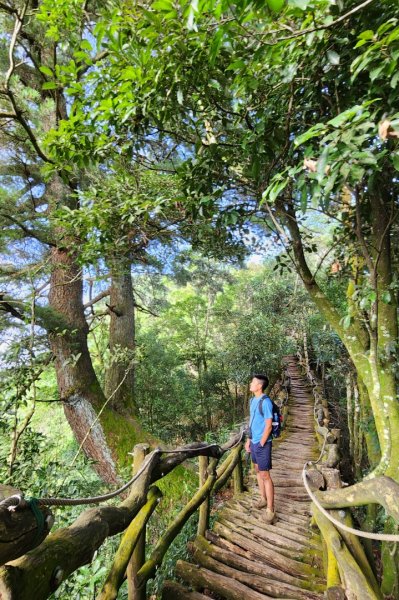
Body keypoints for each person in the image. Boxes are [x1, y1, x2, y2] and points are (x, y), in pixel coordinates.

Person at [245, 374, 276, 524]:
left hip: (262, 443)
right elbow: (252, 422)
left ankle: (270, 510)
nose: (250, 384)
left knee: (265, 476)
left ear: (260, 386)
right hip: (254, 442)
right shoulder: (253, 400)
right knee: (257, 471)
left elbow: (268, 424)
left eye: (253, 382)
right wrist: (249, 441)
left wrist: (262, 442)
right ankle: (263, 499)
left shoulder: (266, 402)